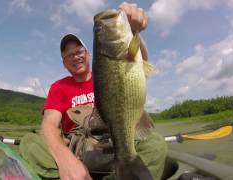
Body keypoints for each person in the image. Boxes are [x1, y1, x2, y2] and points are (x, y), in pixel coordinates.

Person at [19, 2, 167, 180]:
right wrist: (65, 159)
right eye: (69, 55)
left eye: (79, 51)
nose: (76, 56)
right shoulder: (59, 87)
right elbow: (49, 125)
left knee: (156, 144)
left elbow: (137, 60)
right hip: (77, 150)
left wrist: (134, 31)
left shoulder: (108, 70)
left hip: (111, 141)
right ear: (64, 64)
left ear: (89, 54)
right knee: (29, 142)